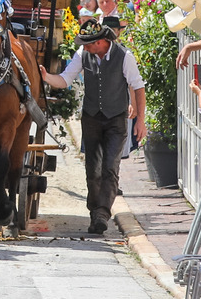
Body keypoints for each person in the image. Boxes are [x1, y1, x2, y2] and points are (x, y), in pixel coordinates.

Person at [39, 19, 146, 234]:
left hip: (116, 119)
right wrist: (46, 77)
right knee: (92, 169)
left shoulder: (125, 57)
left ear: (101, 41)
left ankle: (102, 214)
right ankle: (94, 210)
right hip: (91, 118)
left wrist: (140, 121)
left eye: (89, 43)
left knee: (110, 167)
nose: (85, 46)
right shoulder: (82, 54)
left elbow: (138, 86)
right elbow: (66, 79)